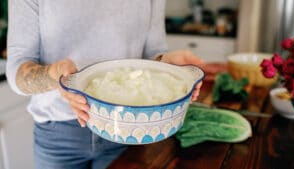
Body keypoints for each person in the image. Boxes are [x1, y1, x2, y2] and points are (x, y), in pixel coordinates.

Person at [6, 0, 204, 169]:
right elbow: (16, 71)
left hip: (129, 130)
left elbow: (153, 54)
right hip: (58, 136)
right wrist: (53, 75)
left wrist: (167, 65)